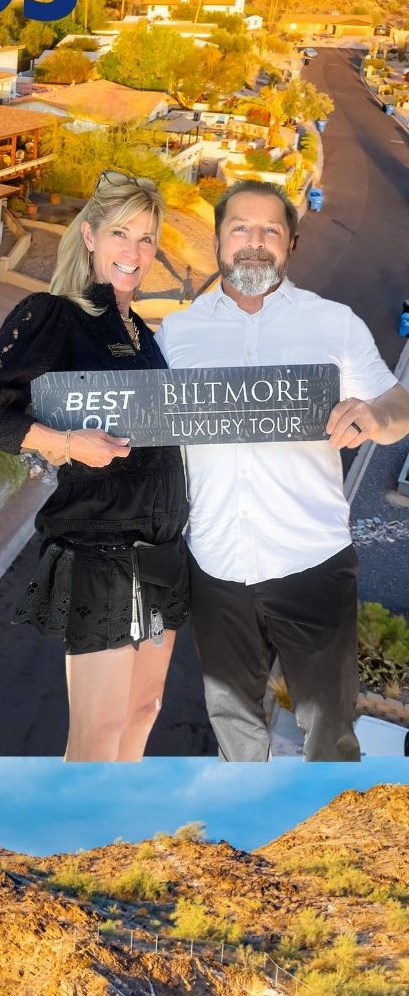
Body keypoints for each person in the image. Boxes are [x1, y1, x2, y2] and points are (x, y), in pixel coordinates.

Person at [0, 170, 188, 761]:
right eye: (121, 233)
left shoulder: (141, 332)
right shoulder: (56, 316)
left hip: (162, 550)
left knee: (144, 711)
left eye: (146, 239)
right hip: (103, 549)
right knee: (98, 734)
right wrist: (64, 442)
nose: (134, 251)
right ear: (91, 237)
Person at [158, 179, 409, 762]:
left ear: (291, 242)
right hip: (216, 567)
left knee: (329, 730)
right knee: (234, 726)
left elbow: (398, 404)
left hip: (312, 564)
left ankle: (329, 817)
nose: (255, 241)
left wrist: (376, 416)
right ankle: (249, 814)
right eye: (240, 228)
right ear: (218, 240)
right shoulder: (177, 335)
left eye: (270, 229)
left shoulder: (335, 324)